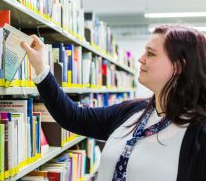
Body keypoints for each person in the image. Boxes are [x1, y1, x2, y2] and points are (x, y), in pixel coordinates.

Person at [20, 24, 206, 181]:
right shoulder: (133, 112)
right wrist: (41, 69)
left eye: (150, 53)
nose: (141, 59)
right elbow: (72, 117)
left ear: (178, 67)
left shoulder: (198, 134)